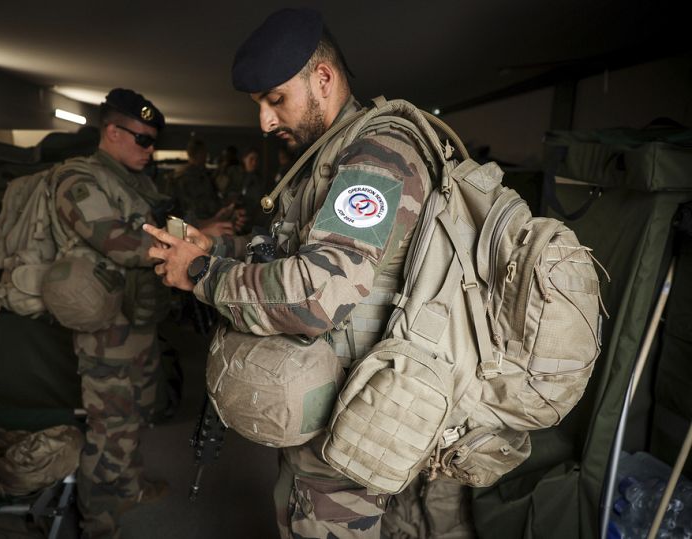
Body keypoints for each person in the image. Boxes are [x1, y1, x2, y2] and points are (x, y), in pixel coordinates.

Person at [143, 8, 472, 539]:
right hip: (342, 401)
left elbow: (315, 296)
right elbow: (293, 252)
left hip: (354, 412)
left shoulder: (376, 158)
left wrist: (202, 272)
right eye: (260, 106)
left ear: (322, 78)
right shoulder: (332, 157)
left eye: (276, 100)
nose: (266, 122)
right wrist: (220, 245)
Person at [44, 88, 172, 539]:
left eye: (153, 139)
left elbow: (151, 227)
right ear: (113, 131)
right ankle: (97, 521)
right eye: (142, 138)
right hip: (105, 327)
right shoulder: (80, 178)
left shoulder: (134, 182)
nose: (149, 149)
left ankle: (131, 488)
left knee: (135, 415)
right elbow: (116, 240)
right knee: (110, 425)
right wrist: (181, 248)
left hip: (136, 318)